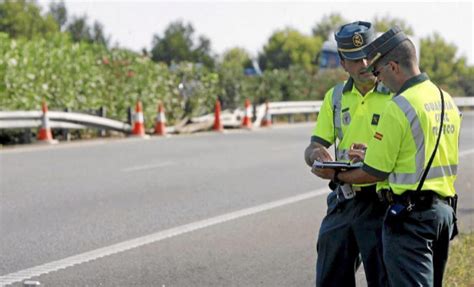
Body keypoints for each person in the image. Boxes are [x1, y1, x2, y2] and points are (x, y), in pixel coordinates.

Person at [322, 27, 461, 287]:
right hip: (443, 214)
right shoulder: (446, 100)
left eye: (379, 71)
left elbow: (375, 171)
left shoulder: (400, 105)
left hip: (411, 219)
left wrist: (337, 174)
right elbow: (422, 151)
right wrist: (372, 152)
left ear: (394, 67)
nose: (378, 78)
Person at [304, 21, 391, 287]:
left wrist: (374, 154)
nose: (364, 64)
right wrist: (317, 156)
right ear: (343, 63)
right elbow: (313, 146)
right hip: (344, 198)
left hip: (383, 202)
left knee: (384, 280)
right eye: (354, 59)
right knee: (330, 277)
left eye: (368, 54)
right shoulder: (335, 97)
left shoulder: (397, 94)